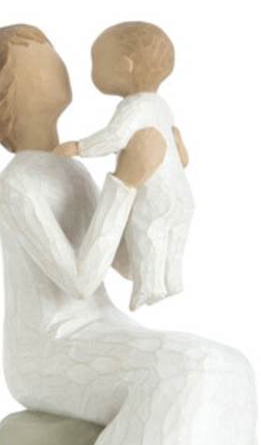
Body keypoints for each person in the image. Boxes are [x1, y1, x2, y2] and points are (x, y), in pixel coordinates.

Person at [0, 24, 260, 445]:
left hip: (101, 329)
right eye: (37, 57)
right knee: (187, 369)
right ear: (6, 94)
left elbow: (122, 265)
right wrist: (124, 181)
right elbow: (79, 280)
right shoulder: (17, 185)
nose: (56, 58)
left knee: (228, 363)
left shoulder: (70, 172)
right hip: (49, 349)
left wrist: (159, 183)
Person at [55, 22, 194, 310]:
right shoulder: (161, 105)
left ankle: (148, 288)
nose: (93, 71)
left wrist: (80, 147)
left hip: (155, 192)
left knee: (148, 233)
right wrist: (181, 157)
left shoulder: (133, 106)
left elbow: (115, 137)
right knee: (172, 234)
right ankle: (172, 280)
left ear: (124, 66)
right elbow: (177, 144)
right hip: (180, 190)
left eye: (97, 62)